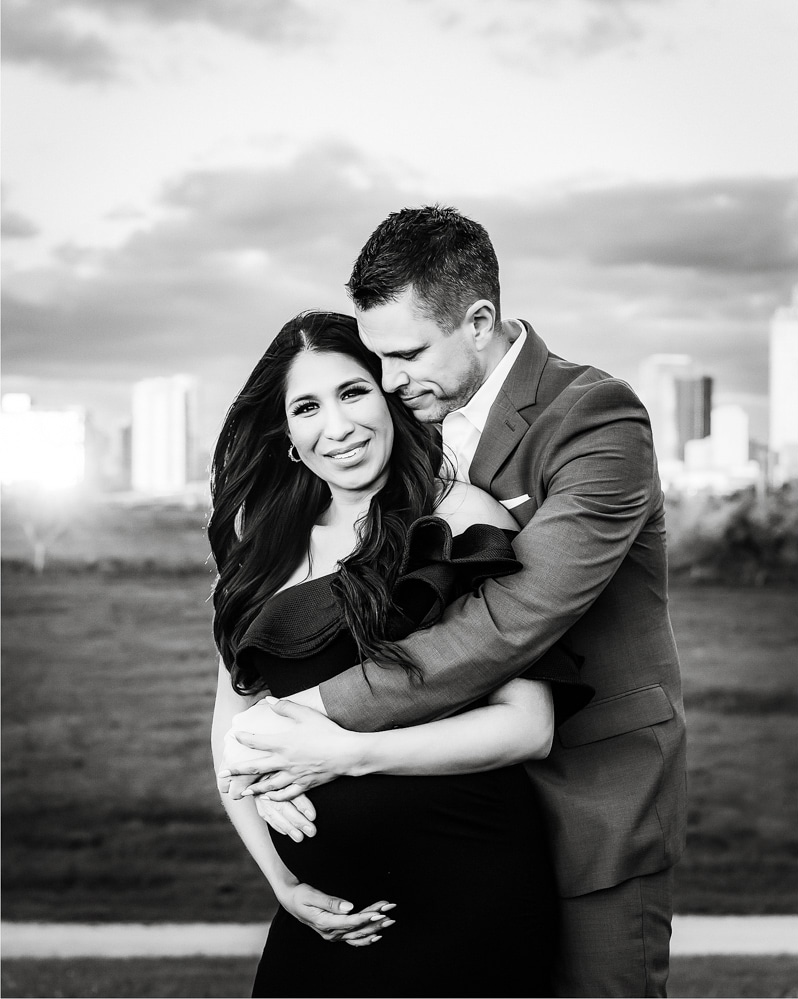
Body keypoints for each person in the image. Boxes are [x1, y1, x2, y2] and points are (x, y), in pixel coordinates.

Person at [221, 207, 688, 998]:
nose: (390, 380)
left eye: (404, 355)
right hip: (455, 820)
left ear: (478, 322)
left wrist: (317, 718)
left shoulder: (594, 418)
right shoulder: (413, 423)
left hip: (591, 799)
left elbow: (517, 617)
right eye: (380, 359)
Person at [209, 310, 593, 998]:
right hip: (324, 916)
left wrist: (343, 753)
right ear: (289, 435)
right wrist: (286, 881)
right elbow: (231, 733)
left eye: (354, 392)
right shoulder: (260, 552)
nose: (339, 425)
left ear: (390, 394)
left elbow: (528, 725)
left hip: (470, 897)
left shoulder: (462, 518)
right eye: (307, 406)